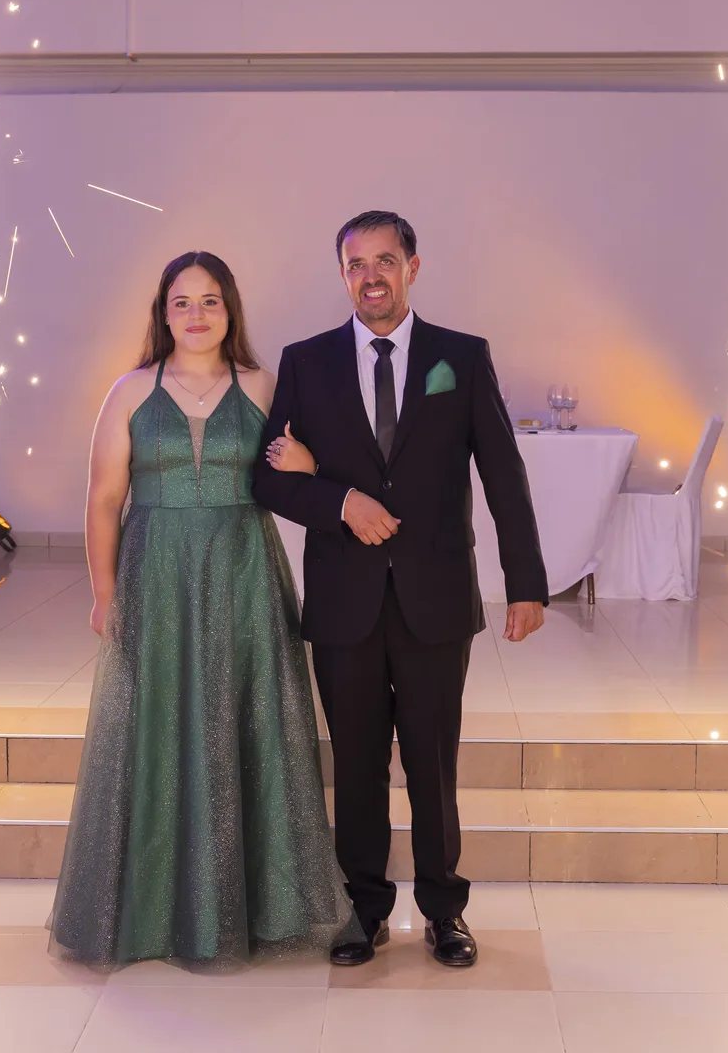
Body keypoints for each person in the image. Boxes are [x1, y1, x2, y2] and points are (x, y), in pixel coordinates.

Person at [254, 211, 548, 968]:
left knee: (432, 765)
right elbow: (268, 477)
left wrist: (527, 583)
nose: (371, 276)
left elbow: (503, 474)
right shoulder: (306, 362)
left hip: (436, 599)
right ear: (342, 274)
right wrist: (341, 503)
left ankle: (445, 911)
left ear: (413, 268)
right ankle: (363, 909)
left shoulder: (461, 356)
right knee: (355, 766)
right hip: (344, 602)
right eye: (357, 264)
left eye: (385, 261)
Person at [48, 251, 352, 966]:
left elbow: (302, 473)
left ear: (230, 309)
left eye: (209, 301)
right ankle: (155, 914)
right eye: (181, 302)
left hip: (245, 575)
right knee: (155, 727)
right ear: (163, 313)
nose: (196, 314)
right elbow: (103, 499)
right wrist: (104, 593)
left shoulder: (262, 385)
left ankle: (262, 910)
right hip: (153, 577)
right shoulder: (130, 391)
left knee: (245, 724)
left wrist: (311, 465)